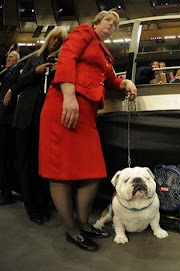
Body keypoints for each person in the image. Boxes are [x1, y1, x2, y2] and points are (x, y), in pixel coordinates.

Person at [38, 10, 137, 252]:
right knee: (60, 172)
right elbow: (67, 58)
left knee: (94, 172)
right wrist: (69, 96)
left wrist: (126, 82)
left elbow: (110, 80)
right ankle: (72, 230)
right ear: (96, 22)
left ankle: (83, 223)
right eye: (107, 20)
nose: (111, 25)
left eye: (114, 24)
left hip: (87, 114)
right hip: (64, 105)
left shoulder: (104, 53)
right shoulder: (84, 32)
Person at [12, 26, 67, 224]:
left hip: (45, 121)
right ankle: (31, 208)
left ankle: (43, 205)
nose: (55, 43)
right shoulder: (33, 58)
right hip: (24, 119)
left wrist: (59, 70)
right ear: (49, 39)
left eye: (59, 41)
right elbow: (18, 83)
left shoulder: (61, 63)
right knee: (25, 164)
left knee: (41, 164)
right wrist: (35, 71)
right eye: (54, 39)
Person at [0, 51, 21, 205]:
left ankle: (7, 193)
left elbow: (19, 83)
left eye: (11, 57)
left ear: (17, 60)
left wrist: (11, 90)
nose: (8, 59)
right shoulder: (7, 73)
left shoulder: (16, 71)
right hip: (3, 119)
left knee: (5, 156)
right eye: (7, 57)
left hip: (7, 120)